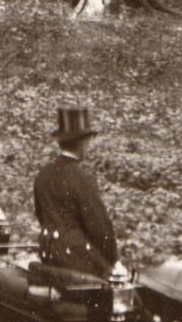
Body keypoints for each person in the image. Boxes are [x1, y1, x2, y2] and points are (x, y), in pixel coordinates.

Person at [32, 101, 119, 278]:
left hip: (49, 253)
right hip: (78, 259)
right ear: (82, 143)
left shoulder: (43, 175)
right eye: (88, 141)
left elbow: (41, 215)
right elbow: (99, 227)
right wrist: (113, 261)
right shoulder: (82, 178)